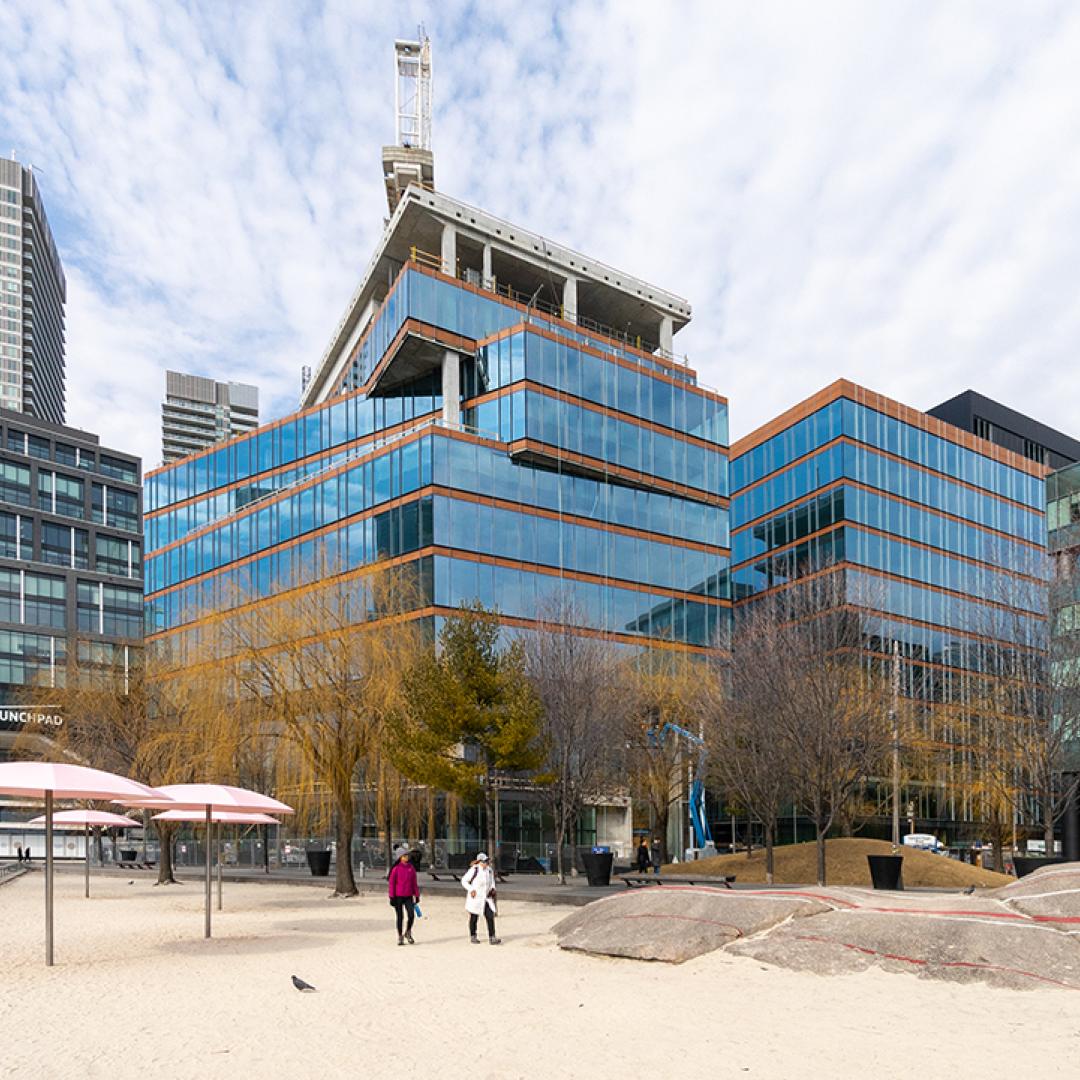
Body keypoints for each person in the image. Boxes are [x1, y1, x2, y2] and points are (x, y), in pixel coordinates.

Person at [462, 852, 500, 945]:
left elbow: (492, 882)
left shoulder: (489, 870)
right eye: (484, 861)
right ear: (479, 862)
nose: (486, 863)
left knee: (490, 916)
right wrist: (471, 889)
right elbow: (464, 881)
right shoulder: (474, 870)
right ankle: (473, 935)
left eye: (487, 861)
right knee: (474, 917)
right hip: (476, 898)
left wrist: (493, 889)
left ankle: (492, 937)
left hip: (486, 897)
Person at [387, 848, 420, 946]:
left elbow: (414, 883)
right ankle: (400, 935)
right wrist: (391, 896)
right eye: (405, 855)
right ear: (400, 857)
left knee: (411, 915)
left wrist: (417, 895)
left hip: (408, 895)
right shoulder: (396, 869)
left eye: (407, 855)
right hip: (398, 896)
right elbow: (392, 884)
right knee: (400, 916)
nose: (407, 857)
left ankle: (408, 931)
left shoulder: (411, 868)